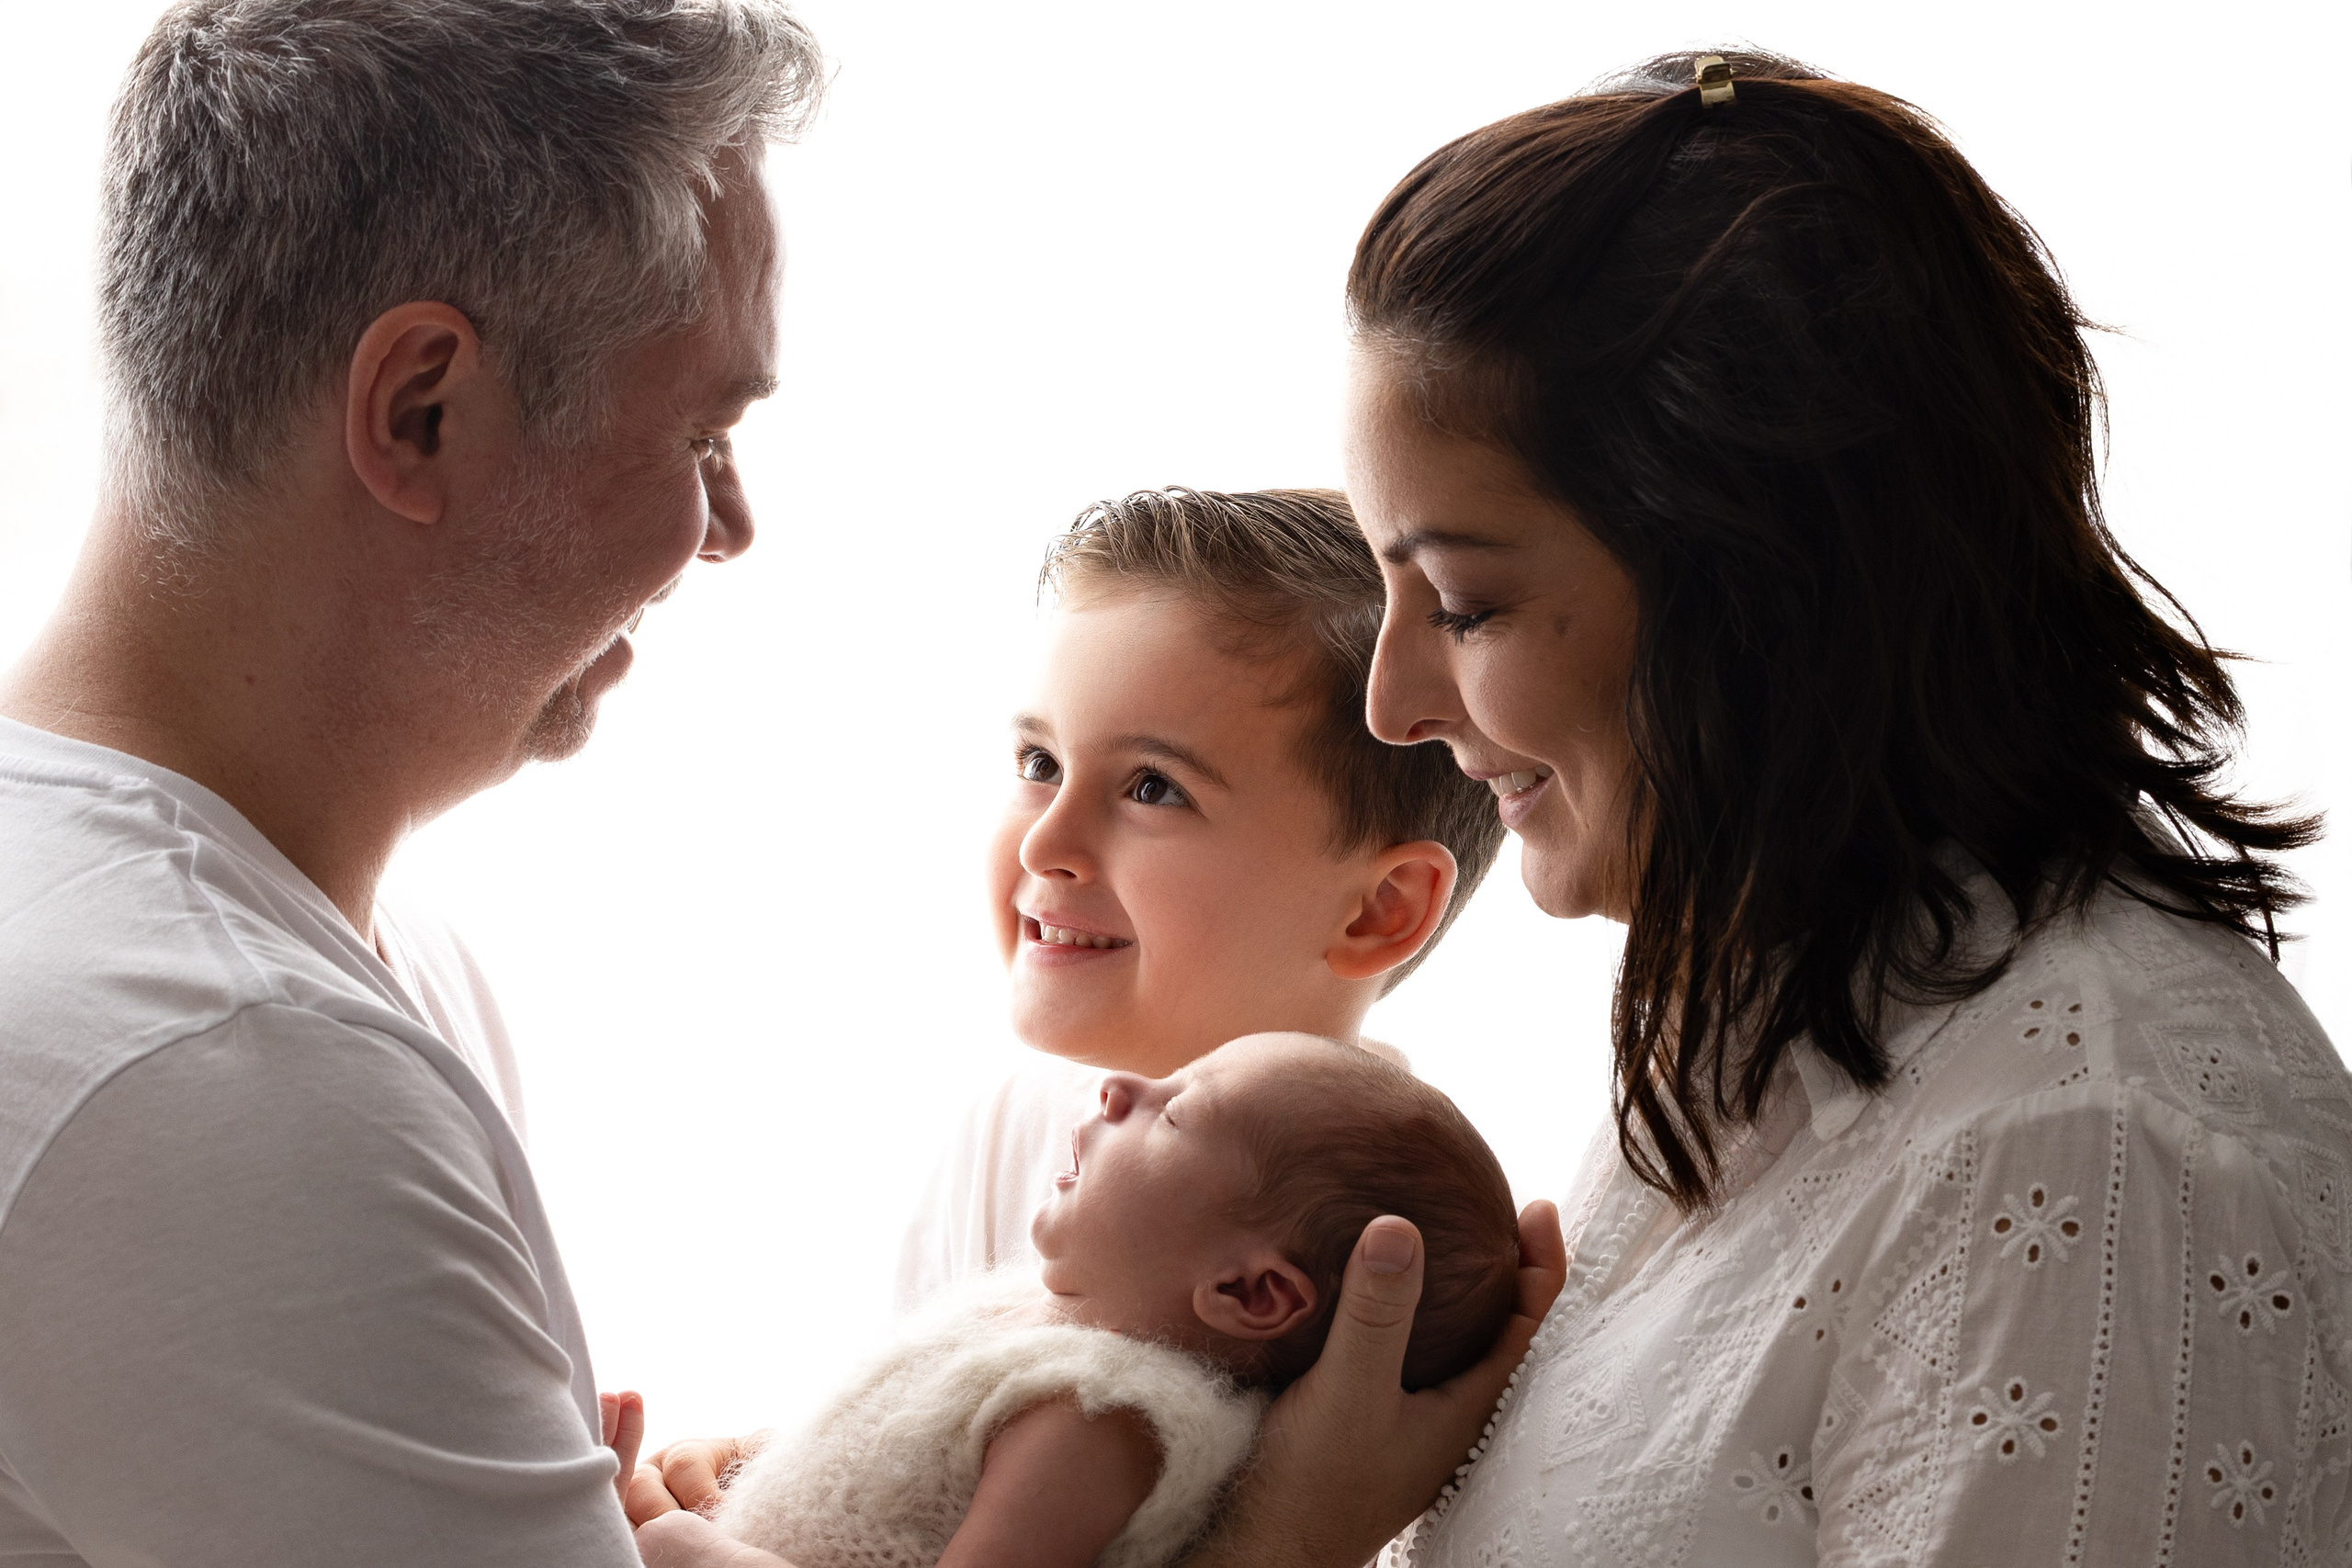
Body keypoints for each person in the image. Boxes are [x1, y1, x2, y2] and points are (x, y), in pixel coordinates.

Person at [1325, 50, 2346, 1566]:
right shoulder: (1763, 1012)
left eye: (1466, 602)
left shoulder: (2096, 1150)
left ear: (1766, 593)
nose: (1393, 705)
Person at [0, 2, 820, 1563]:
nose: (728, 527)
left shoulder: (280, 952)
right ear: (418, 408)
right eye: (704, 432)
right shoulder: (214, 1066)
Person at [897, 485, 1507, 1309]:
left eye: (1153, 787)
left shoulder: (1381, 1245)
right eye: (1040, 764)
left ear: (1379, 909)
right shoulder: (1003, 1134)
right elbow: (902, 1411)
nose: (1046, 845)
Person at [714, 1032, 1519, 1568]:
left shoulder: (1100, 1414)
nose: (1118, 1087)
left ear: (1250, 1290)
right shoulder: (1056, 1326)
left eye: (1177, 1111)